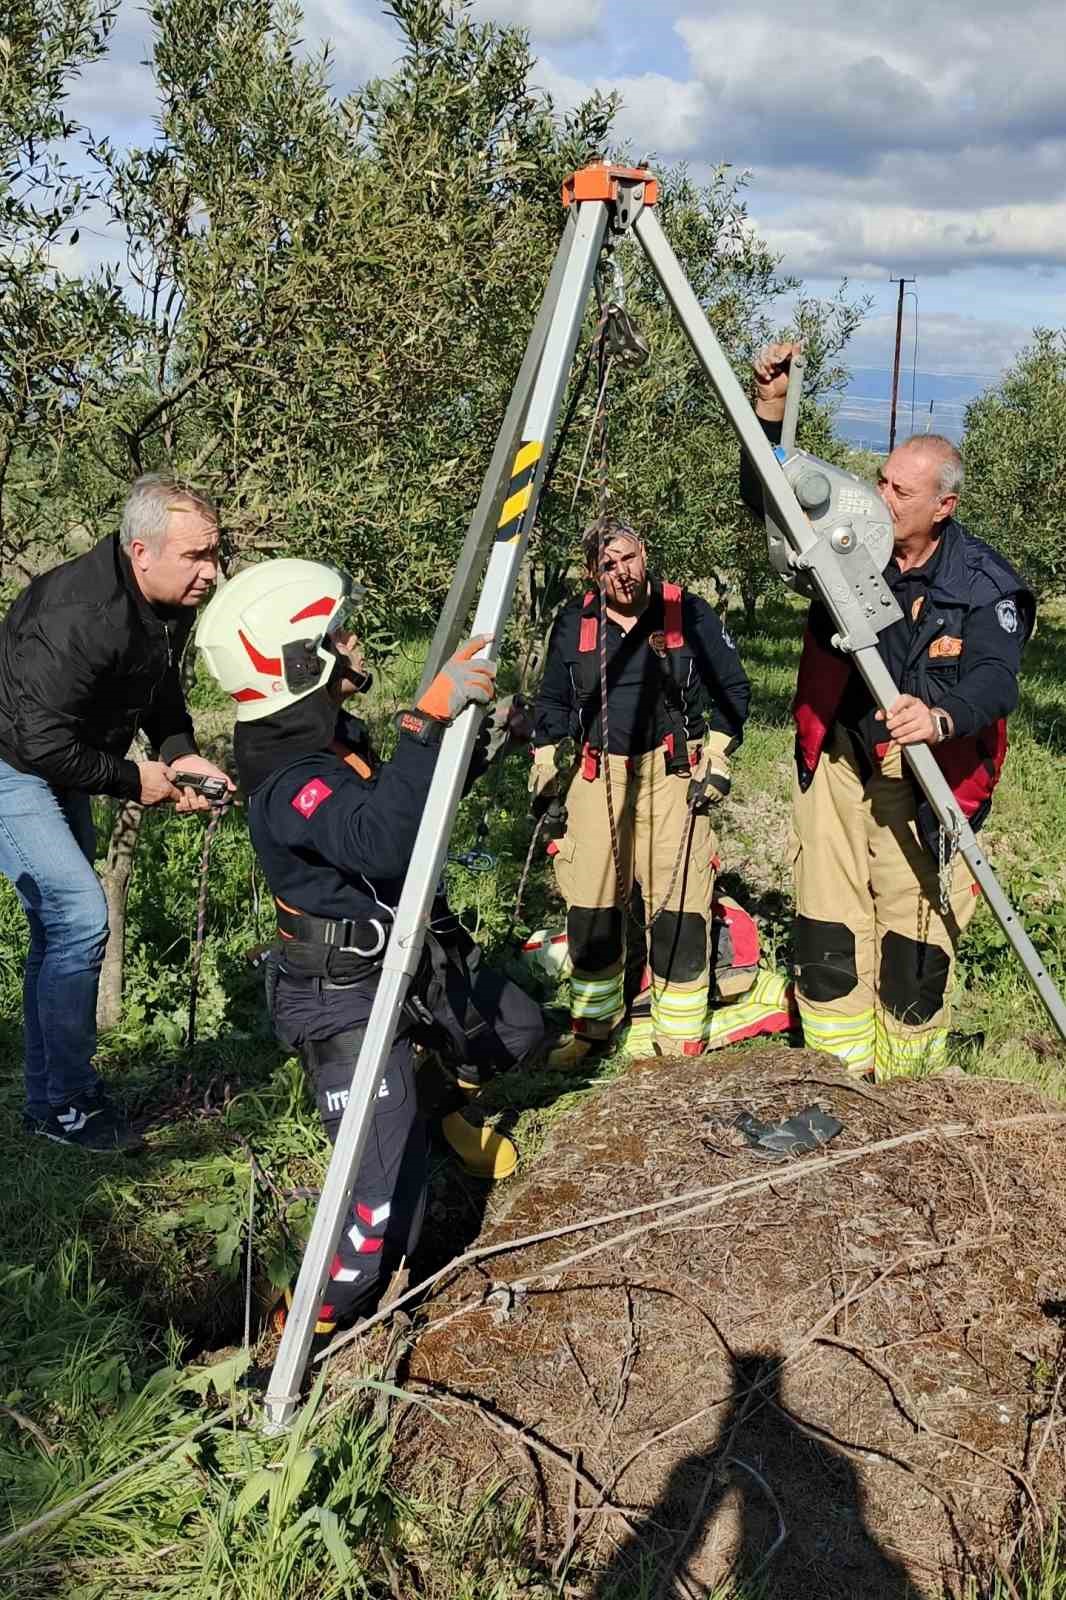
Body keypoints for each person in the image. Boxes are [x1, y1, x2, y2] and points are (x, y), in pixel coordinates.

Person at [195, 558, 545, 1340]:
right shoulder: (289, 778)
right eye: (336, 632)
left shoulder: (328, 739)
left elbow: (400, 814)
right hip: (342, 995)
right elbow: (383, 844)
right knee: (380, 1229)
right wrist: (423, 725)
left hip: (405, 968)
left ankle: (425, 1107)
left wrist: (479, 746)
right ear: (300, 660)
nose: (353, 641)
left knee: (516, 1029)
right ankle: (291, 1340)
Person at [742, 343, 1034, 1080]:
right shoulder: (849, 539)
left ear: (944, 506)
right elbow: (773, 500)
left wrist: (939, 719)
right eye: (880, 478)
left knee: (913, 932)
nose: (880, 495)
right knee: (828, 916)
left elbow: (997, 681)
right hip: (840, 755)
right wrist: (771, 413)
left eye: (900, 489)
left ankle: (907, 1081)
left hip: (926, 773)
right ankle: (836, 1070)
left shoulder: (983, 585)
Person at [0, 472, 233, 1150]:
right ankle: (68, 1102)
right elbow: (38, 742)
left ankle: (50, 1098)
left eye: (214, 554)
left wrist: (180, 752)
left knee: (60, 930)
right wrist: (137, 779)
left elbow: (162, 688)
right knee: (78, 915)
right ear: (141, 551)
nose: (212, 574)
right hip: (14, 760)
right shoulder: (78, 616)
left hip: (59, 755)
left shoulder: (163, 601)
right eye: (197, 557)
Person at [530, 517, 755, 1063]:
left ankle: (678, 1035)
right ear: (592, 573)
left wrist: (718, 755)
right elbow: (553, 702)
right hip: (596, 772)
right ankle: (592, 1027)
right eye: (607, 566)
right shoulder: (573, 623)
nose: (622, 573)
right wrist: (544, 759)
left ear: (644, 553)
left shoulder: (686, 613)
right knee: (592, 900)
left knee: (679, 898)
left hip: (672, 772)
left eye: (628, 558)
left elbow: (735, 691)